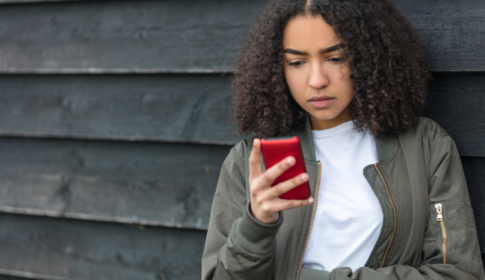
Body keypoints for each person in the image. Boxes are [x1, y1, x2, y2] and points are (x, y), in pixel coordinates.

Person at [201, 0, 485, 279]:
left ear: (369, 55)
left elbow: (458, 272)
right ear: (278, 68)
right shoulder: (250, 160)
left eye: (336, 58)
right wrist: (256, 225)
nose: (316, 80)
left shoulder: (426, 146)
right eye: (297, 61)